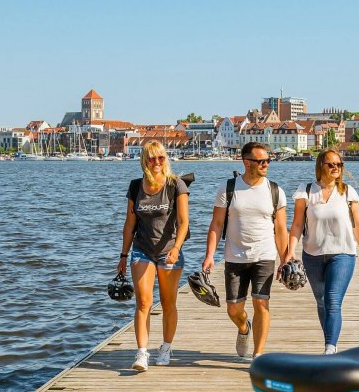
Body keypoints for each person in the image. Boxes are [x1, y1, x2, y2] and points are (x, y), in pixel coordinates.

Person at [202, 142, 288, 359]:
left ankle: (258, 355)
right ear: (246, 162)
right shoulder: (228, 189)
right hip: (235, 257)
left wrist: (286, 259)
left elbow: (280, 229)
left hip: (265, 256)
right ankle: (243, 328)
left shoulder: (275, 191)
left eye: (268, 160)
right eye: (261, 161)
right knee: (233, 309)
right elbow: (216, 225)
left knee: (261, 303)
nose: (266, 164)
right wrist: (210, 255)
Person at [282, 148, 359, 354]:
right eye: (331, 164)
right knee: (321, 301)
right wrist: (289, 252)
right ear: (321, 166)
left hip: (343, 254)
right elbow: (296, 225)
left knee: (332, 299)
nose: (336, 168)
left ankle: (330, 348)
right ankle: (330, 341)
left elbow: (357, 224)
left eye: (339, 164)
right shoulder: (306, 191)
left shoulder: (348, 192)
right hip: (312, 255)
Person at [117, 140, 189, 371]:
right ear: (144, 160)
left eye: (160, 157)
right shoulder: (136, 186)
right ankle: (141, 353)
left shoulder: (175, 185)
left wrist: (176, 248)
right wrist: (123, 255)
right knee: (143, 302)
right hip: (142, 249)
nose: (157, 162)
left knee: (168, 303)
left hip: (169, 250)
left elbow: (183, 222)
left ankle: (166, 348)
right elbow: (129, 225)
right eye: (151, 158)